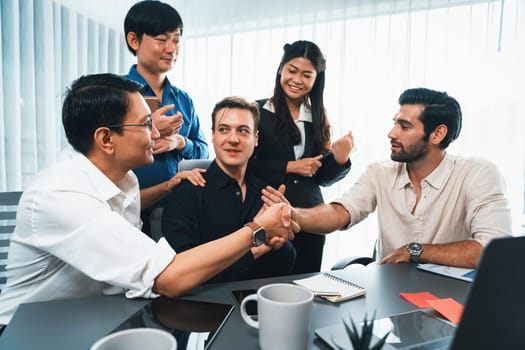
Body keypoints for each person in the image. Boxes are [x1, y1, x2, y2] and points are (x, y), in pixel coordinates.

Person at [0, 74, 297, 326]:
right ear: (106, 139)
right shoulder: (60, 195)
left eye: (243, 131)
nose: (156, 133)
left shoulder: (125, 179)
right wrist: (257, 230)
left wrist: (167, 186)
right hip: (30, 331)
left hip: (99, 317)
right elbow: (166, 277)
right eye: (145, 124)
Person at [264, 87, 511, 268]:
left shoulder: (478, 173)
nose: (391, 133)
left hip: (452, 301)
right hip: (393, 292)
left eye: (404, 127)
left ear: (437, 134)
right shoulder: (380, 172)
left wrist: (416, 251)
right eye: (395, 123)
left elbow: (493, 251)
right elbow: (341, 212)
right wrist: (294, 214)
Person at [162, 97, 296, 283]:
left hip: (259, 302)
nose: (233, 139)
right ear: (213, 135)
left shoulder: (267, 193)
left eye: (243, 131)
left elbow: (286, 265)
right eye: (224, 129)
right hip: (203, 306)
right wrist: (256, 249)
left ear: (255, 139)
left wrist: (278, 243)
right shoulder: (186, 192)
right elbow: (184, 274)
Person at [250, 40, 353, 274]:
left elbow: (321, 177)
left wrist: (339, 159)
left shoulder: (316, 116)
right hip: (268, 209)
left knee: (307, 281)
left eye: (307, 75)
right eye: (292, 71)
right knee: (266, 283)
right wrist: (289, 166)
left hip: (310, 215)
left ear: (316, 80)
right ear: (280, 69)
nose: (297, 80)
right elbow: (246, 166)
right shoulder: (257, 111)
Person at [123, 0, 208, 236]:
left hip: (182, 214)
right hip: (130, 213)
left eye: (177, 40)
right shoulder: (116, 94)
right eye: (162, 39)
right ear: (134, 40)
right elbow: (99, 150)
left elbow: (203, 151)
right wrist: (148, 129)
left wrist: (180, 142)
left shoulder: (184, 100)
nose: (172, 49)